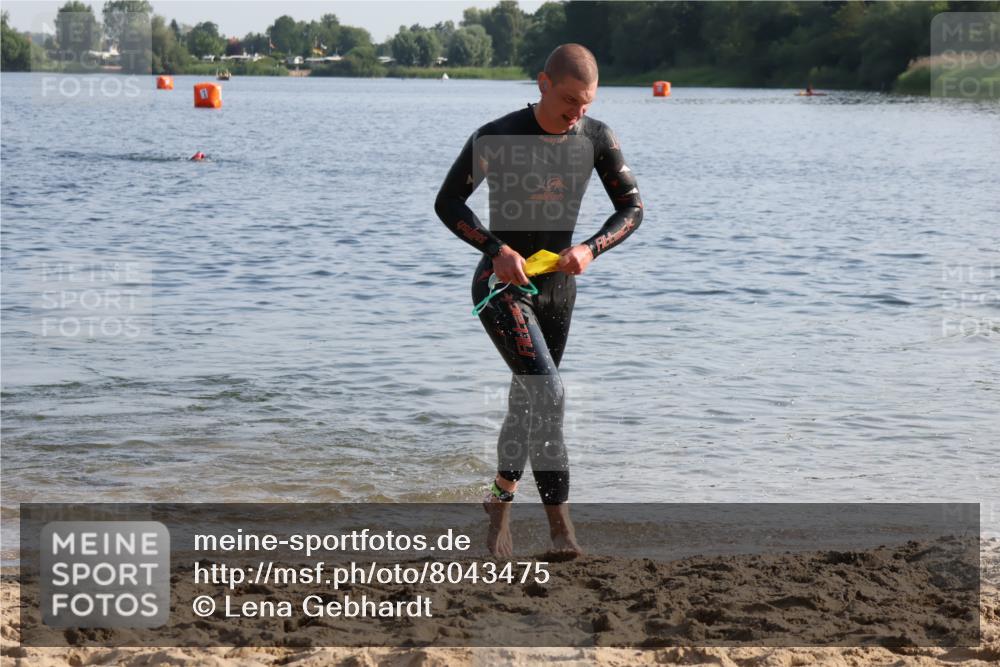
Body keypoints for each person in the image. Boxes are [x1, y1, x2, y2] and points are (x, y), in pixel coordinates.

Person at [434, 44, 643, 557]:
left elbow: (632, 209)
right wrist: (496, 248)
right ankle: (562, 532)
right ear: (543, 83)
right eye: (570, 99)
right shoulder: (499, 135)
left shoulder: (596, 138)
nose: (578, 112)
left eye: (587, 103)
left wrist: (591, 249)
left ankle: (498, 505)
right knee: (547, 394)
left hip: (557, 290)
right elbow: (448, 201)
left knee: (528, 403)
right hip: (502, 285)